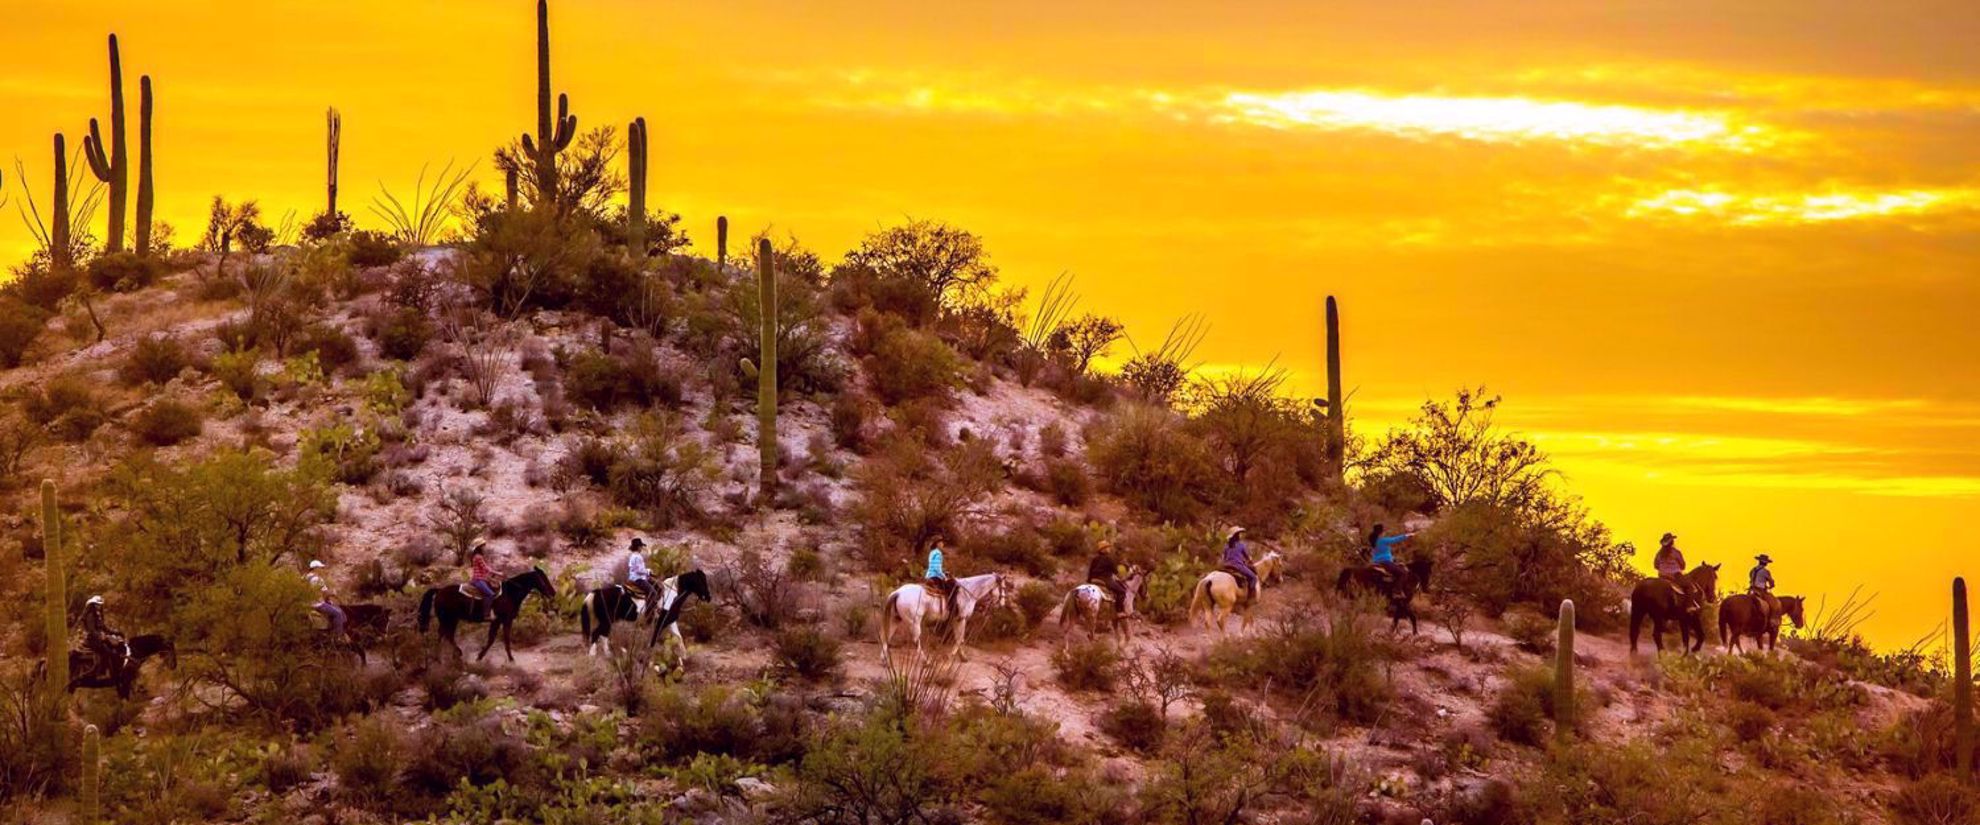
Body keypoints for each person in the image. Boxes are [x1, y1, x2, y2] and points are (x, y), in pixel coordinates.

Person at [77, 596, 125, 680]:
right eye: (97, 605)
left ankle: (115, 671)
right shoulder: (90, 615)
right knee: (106, 651)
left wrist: (116, 632)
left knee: (115, 648)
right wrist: (100, 636)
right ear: (92, 605)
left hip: (99, 638)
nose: (99, 606)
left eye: (100, 605)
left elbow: (104, 628)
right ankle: (101, 673)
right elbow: (91, 630)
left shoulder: (98, 615)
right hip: (92, 639)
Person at [1653, 532, 1699, 609]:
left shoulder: (1659, 553)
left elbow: (1655, 565)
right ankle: (1689, 606)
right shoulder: (1676, 552)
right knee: (1690, 587)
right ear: (1672, 542)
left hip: (1661, 576)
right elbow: (1683, 566)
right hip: (1675, 575)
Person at [308, 560, 347, 638]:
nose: (322, 570)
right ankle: (338, 636)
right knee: (338, 613)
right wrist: (332, 595)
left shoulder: (304, 577)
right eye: (320, 568)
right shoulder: (318, 579)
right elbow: (325, 593)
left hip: (307, 603)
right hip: (317, 604)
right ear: (315, 568)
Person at [1087, 540, 1128, 609]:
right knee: (1122, 592)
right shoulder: (1108, 559)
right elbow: (1115, 571)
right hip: (1105, 579)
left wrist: (1088, 581)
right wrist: (1121, 577)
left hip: (1093, 580)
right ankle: (1119, 611)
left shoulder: (1095, 559)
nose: (1109, 549)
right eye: (1108, 547)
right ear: (1103, 549)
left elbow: (1090, 571)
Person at [1222, 526, 1258, 601]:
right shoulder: (1241, 545)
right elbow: (1247, 557)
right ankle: (1250, 597)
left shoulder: (1226, 546)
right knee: (1253, 577)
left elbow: (1224, 558)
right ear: (1237, 535)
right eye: (1240, 534)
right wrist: (1250, 560)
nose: (1241, 535)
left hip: (1226, 565)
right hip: (1237, 565)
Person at [924, 536, 958, 615]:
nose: (943, 544)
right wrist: (944, 577)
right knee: (954, 587)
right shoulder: (938, 553)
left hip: (929, 575)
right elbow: (936, 568)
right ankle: (951, 608)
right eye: (941, 542)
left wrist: (944, 572)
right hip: (935, 576)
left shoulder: (932, 552)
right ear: (937, 544)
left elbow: (934, 566)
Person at [626, 537, 660, 605]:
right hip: (638, 579)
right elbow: (639, 570)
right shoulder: (638, 557)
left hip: (633, 577)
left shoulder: (632, 556)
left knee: (655, 584)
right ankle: (649, 611)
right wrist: (648, 571)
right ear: (638, 547)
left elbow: (634, 568)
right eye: (641, 546)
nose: (642, 548)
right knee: (653, 592)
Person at [469, 544, 498, 616]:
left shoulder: (476, 556)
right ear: (479, 547)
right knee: (490, 594)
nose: (484, 547)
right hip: (478, 580)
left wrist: (490, 578)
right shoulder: (478, 557)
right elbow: (485, 568)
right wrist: (498, 573)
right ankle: (486, 614)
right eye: (483, 546)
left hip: (480, 579)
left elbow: (483, 570)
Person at [1749, 553, 1779, 620]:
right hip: (1760, 590)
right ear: (1766, 563)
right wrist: (1771, 585)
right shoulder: (1765, 571)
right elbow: (1771, 581)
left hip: (1751, 589)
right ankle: (1771, 620)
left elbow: (1750, 577)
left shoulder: (1752, 570)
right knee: (1773, 604)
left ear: (1759, 561)